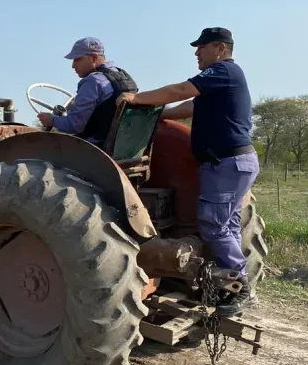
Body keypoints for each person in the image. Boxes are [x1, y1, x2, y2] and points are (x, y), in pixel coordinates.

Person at [119, 27, 259, 317]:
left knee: (214, 225)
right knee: (228, 226)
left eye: (202, 47)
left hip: (227, 163)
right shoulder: (220, 83)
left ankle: (239, 288)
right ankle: (230, 284)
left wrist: (136, 99)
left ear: (220, 48)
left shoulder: (224, 71)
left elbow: (180, 90)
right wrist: (159, 113)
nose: (197, 52)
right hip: (226, 163)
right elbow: (188, 105)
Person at [37, 37, 138, 147]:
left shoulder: (93, 81)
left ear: (94, 58)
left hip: (97, 148)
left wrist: (51, 120)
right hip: (124, 145)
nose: (73, 65)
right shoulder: (124, 76)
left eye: (77, 59)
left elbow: (74, 125)